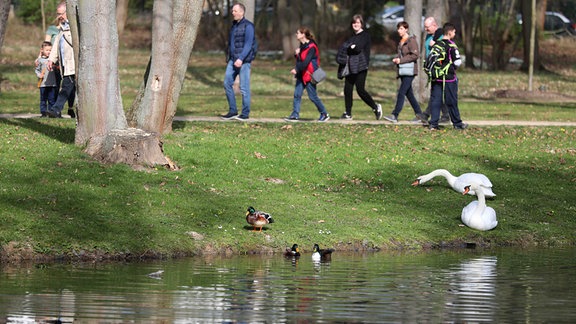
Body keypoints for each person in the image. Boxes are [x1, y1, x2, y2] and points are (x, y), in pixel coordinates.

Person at [339, 14, 382, 121]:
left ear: (361, 24)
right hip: (351, 66)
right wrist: (350, 47)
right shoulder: (352, 37)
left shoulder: (365, 35)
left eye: (358, 23)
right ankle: (348, 113)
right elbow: (345, 48)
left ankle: (375, 107)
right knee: (347, 89)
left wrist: (351, 47)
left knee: (360, 90)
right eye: (354, 23)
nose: (355, 25)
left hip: (361, 67)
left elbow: (357, 48)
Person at [284, 27, 330, 122]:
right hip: (302, 75)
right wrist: (297, 54)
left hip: (309, 75)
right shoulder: (302, 45)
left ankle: (324, 113)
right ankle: (295, 114)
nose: (296, 35)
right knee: (297, 94)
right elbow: (301, 60)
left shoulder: (312, 47)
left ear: (303, 35)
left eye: (298, 33)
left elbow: (306, 62)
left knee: (312, 97)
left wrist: (296, 69)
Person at [383, 21, 426, 124]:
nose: (399, 31)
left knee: (402, 92)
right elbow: (402, 55)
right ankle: (420, 115)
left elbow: (415, 55)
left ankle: (395, 115)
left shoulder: (411, 41)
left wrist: (401, 60)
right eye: (398, 29)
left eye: (401, 29)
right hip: (403, 70)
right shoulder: (401, 41)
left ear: (406, 29)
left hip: (410, 71)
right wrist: (397, 59)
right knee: (409, 94)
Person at [428, 23, 468, 130]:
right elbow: (458, 62)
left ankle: (433, 123)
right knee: (451, 100)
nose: (454, 34)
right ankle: (457, 123)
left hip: (436, 77)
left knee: (436, 100)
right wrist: (453, 67)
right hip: (449, 77)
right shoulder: (451, 45)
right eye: (454, 32)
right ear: (449, 32)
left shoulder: (437, 44)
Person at [221, 3, 256, 121]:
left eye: (235, 11)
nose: (233, 13)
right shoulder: (234, 26)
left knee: (244, 87)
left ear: (242, 12)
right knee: (227, 83)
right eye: (232, 11)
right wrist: (230, 57)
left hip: (244, 61)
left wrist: (241, 58)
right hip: (232, 60)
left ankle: (245, 114)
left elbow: (248, 44)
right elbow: (231, 44)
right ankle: (233, 111)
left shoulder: (248, 26)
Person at [47, 1, 76, 119]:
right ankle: (70, 110)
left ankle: (56, 109)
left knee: (66, 87)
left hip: (73, 64)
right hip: (65, 65)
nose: (59, 16)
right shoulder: (61, 28)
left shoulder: (74, 27)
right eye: (58, 14)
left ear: (68, 12)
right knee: (71, 88)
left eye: (61, 14)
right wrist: (51, 60)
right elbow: (56, 46)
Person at [422, 17, 449, 124]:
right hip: (431, 67)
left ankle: (427, 114)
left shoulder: (442, 36)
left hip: (440, 68)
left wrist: (436, 44)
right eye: (424, 27)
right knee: (435, 92)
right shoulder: (428, 36)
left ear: (434, 25)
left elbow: (445, 50)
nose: (425, 29)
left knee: (436, 92)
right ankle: (442, 115)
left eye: (427, 27)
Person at [35, 41, 58, 117]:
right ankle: (43, 113)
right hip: (43, 84)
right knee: (43, 100)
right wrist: (39, 75)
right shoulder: (40, 61)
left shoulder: (53, 61)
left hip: (52, 83)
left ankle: (51, 112)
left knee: (51, 99)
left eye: (50, 50)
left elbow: (58, 68)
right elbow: (37, 70)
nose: (49, 52)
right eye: (47, 50)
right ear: (42, 50)